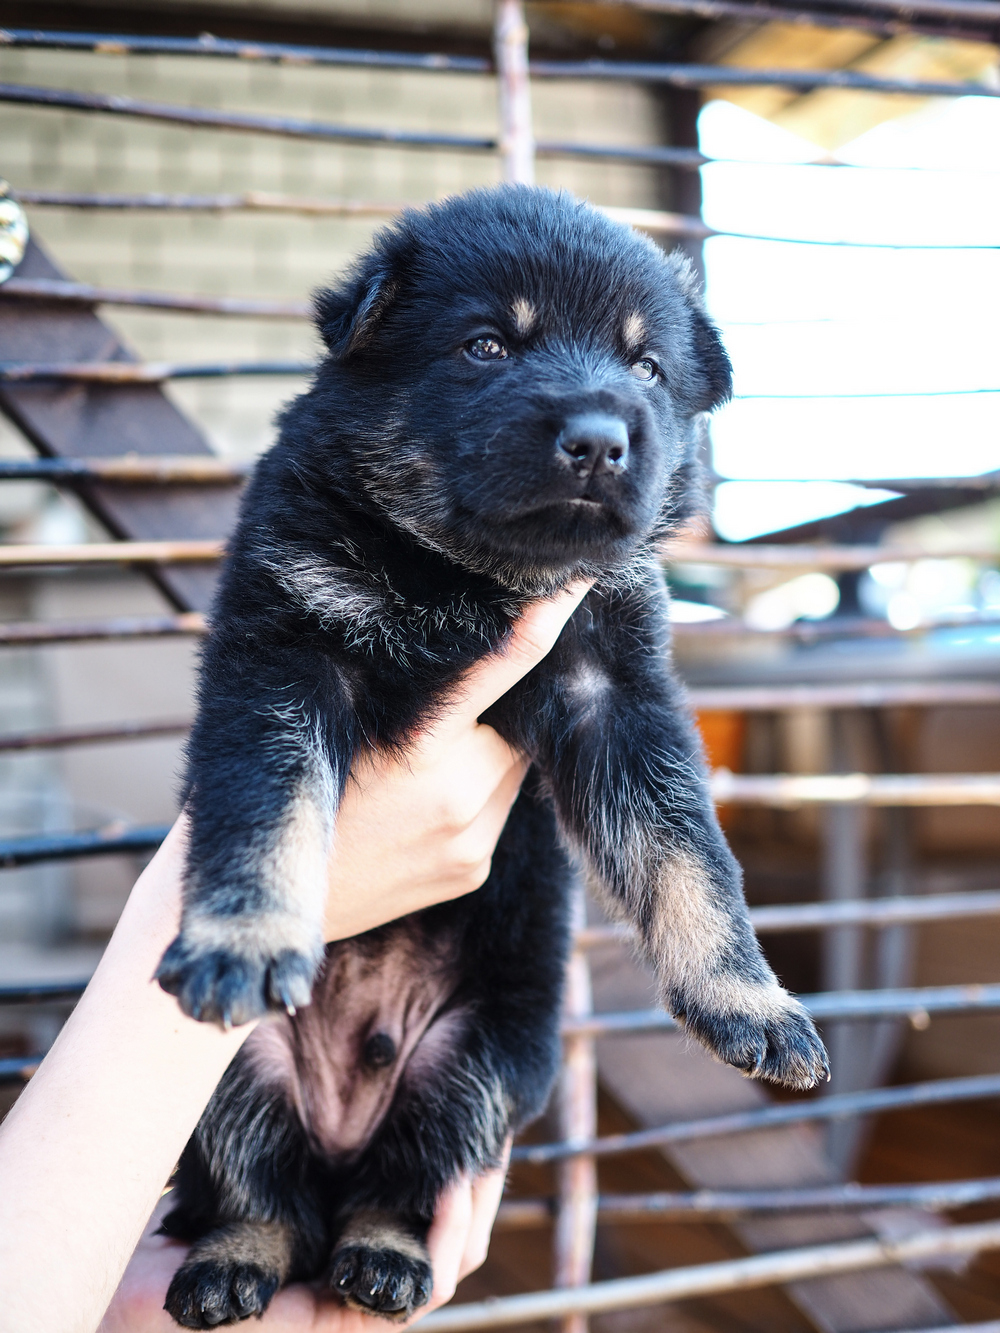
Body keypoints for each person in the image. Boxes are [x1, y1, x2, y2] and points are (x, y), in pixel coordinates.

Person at [0, 585, 588, 1333]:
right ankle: (256, 1224)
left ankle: (385, 1220)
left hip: (438, 1004)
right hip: (285, 1010)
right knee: (230, 1048)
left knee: (495, 1061)